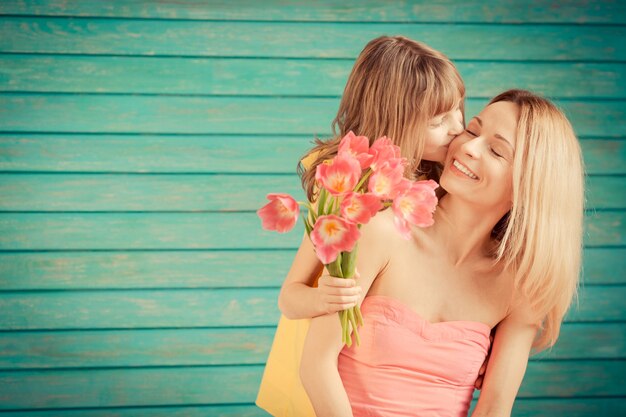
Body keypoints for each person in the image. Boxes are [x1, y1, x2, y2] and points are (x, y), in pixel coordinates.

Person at [299, 89, 584, 416]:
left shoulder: (521, 288)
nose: (468, 147)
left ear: (529, 186)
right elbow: (315, 365)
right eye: (474, 130)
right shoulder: (382, 232)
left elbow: (494, 410)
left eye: (495, 150)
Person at [256, 35, 489, 417]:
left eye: (458, 111)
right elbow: (289, 298)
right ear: (395, 120)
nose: (457, 128)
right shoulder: (347, 188)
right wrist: (325, 299)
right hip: (329, 383)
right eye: (438, 120)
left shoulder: (441, 179)